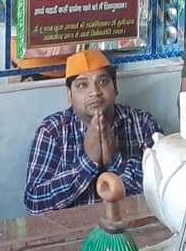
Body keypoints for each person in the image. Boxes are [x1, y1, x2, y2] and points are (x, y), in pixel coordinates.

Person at [24, 50, 162, 214]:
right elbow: (34, 203)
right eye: (82, 85)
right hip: (74, 229)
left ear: (115, 87)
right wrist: (89, 162)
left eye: (103, 82)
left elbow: (162, 188)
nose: (95, 92)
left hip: (131, 223)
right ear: (69, 95)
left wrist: (114, 161)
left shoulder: (142, 123)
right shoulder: (52, 131)